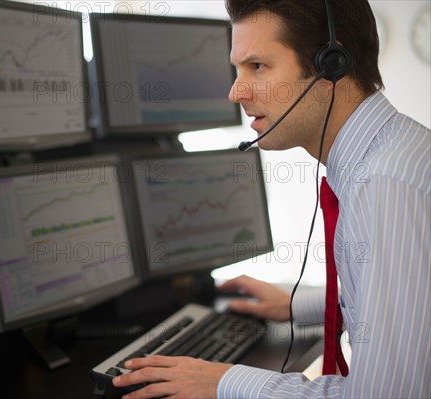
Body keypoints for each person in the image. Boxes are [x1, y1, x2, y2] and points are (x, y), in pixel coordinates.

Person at [112, 0, 430, 398]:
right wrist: (304, 305)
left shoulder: (385, 188)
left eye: (257, 67)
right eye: (237, 69)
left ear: (332, 65)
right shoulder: (391, 151)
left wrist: (224, 382)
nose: (235, 92)